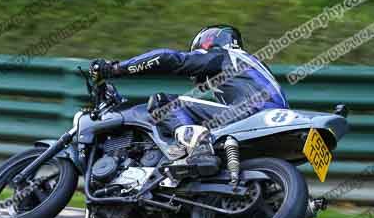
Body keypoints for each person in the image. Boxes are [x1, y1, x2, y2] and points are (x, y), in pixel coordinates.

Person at [90, 25, 288, 159]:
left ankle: (196, 144)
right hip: (273, 120)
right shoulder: (253, 64)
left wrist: (117, 69)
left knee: (162, 102)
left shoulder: (221, 54)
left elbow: (168, 58)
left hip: (252, 111)